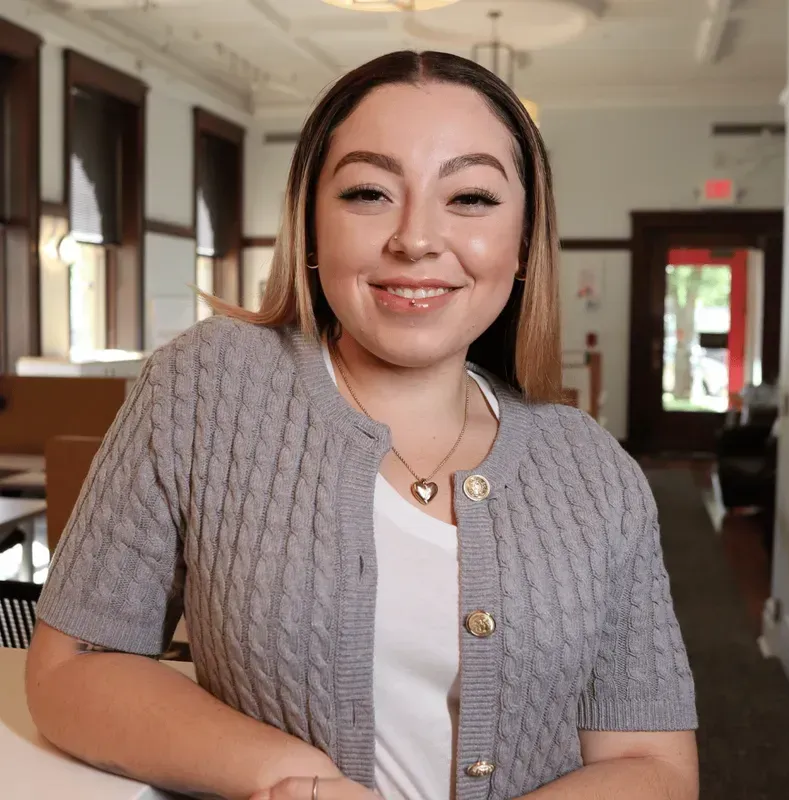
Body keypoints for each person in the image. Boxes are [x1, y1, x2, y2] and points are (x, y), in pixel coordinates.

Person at [26, 50, 699, 800]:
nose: (415, 239)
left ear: (522, 245)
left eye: (470, 198)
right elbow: (72, 666)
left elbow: (653, 765)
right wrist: (295, 778)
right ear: (312, 231)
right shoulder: (205, 386)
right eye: (369, 192)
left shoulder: (595, 471)